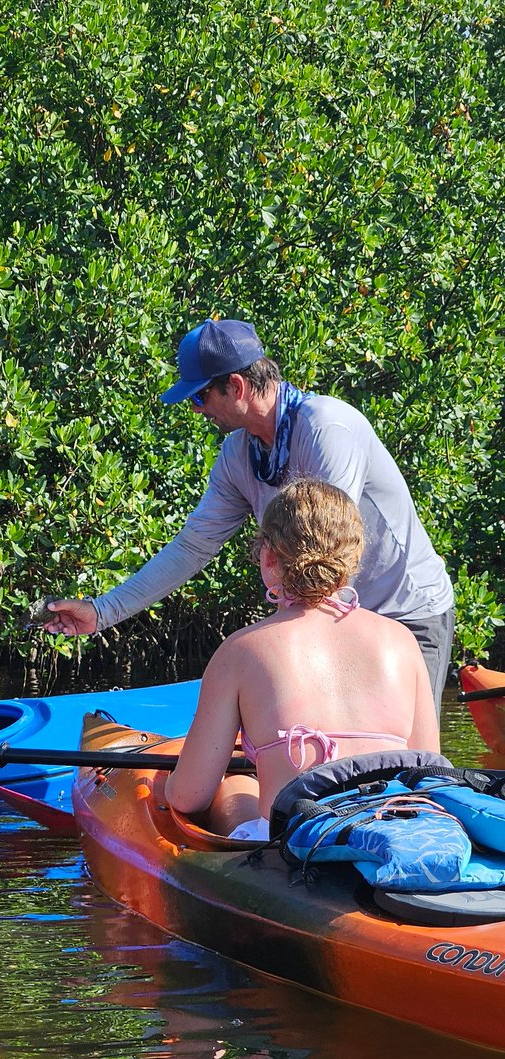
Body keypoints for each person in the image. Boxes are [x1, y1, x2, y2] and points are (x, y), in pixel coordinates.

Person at [42, 318, 455, 714]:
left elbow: (331, 555)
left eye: (200, 396)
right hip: (335, 616)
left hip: (407, 616)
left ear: (236, 386)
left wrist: (277, 648)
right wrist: (102, 612)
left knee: (406, 766)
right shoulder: (239, 455)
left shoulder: (327, 428)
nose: (197, 410)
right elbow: (192, 546)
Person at [161, 478, 441, 840]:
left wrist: (167, 786)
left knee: (235, 786)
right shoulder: (401, 641)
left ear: (268, 557)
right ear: (354, 559)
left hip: (302, 840)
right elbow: (428, 775)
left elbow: (189, 797)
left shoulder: (242, 650)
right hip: (396, 833)